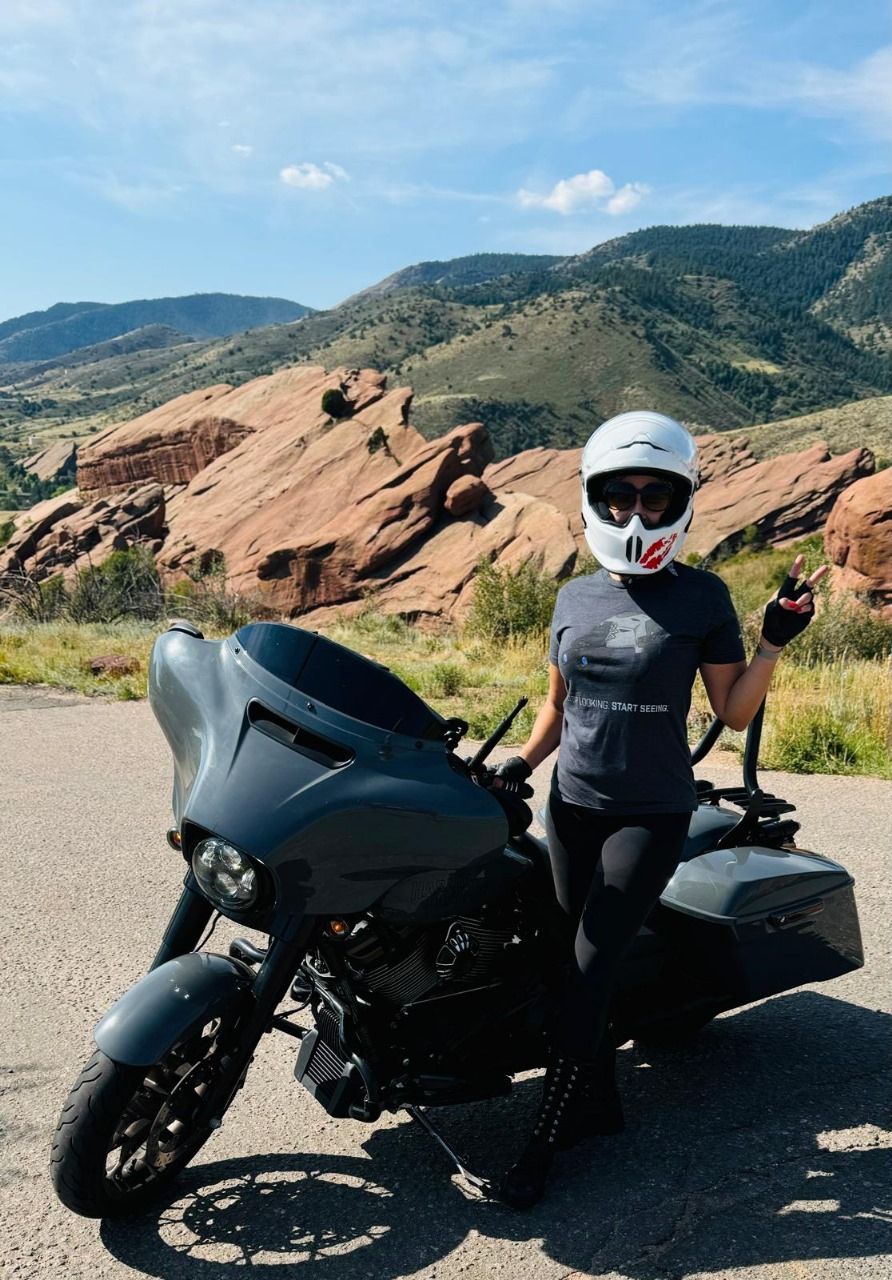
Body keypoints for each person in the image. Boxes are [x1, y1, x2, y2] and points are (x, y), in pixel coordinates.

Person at [492, 410, 827, 1209]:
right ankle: (597, 1101)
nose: (635, 514)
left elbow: (734, 714)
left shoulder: (701, 598)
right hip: (571, 806)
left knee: (586, 968)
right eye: (618, 497)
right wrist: (519, 761)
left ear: (679, 501)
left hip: (651, 811)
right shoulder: (572, 596)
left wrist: (774, 641)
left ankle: (544, 1139)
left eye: (654, 496)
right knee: (560, 950)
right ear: (593, 500)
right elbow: (556, 705)